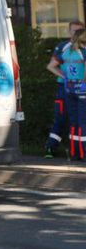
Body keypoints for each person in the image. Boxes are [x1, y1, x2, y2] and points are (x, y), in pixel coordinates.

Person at [46, 21, 86, 158]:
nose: (78, 34)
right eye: (75, 31)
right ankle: (52, 148)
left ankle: (75, 152)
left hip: (69, 87)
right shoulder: (64, 47)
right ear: (69, 32)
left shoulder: (73, 49)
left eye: (80, 31)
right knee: (65, 118)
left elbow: (51, 66)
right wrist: (65, 77)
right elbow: (51, 66)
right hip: (69, 88)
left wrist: (68, 79)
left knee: (75, 121)